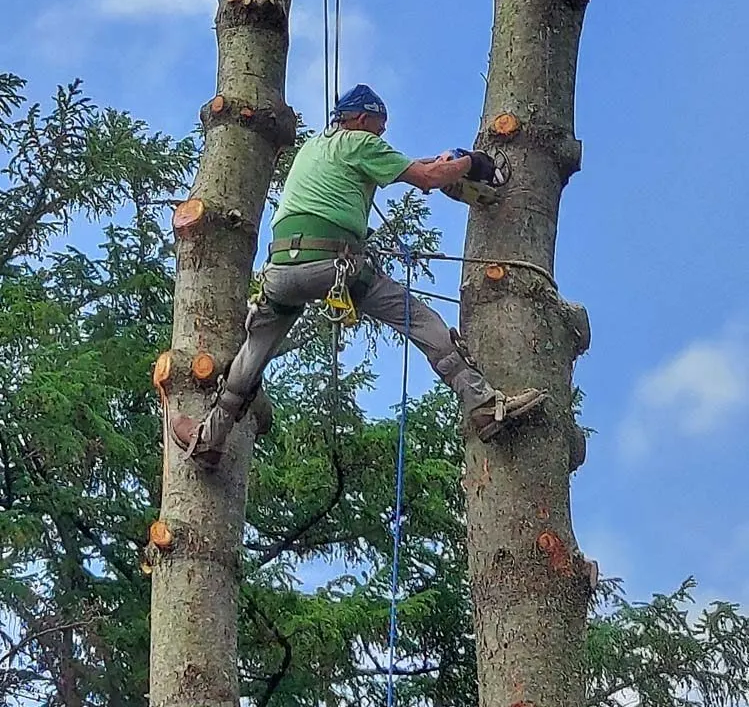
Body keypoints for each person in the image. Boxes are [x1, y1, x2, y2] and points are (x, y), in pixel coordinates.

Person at [171, 84, 547, 467]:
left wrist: (438, 164)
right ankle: (482, 404)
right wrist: (470, 163)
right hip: (334, 266)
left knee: (254, 350)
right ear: (363, 119)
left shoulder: (315, 147)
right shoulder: (361, 144)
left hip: (281, 271)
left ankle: (209, 439)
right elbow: (428, 177)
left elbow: (408, 167)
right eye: (379, 127)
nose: (382, 135)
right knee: (419, 319)